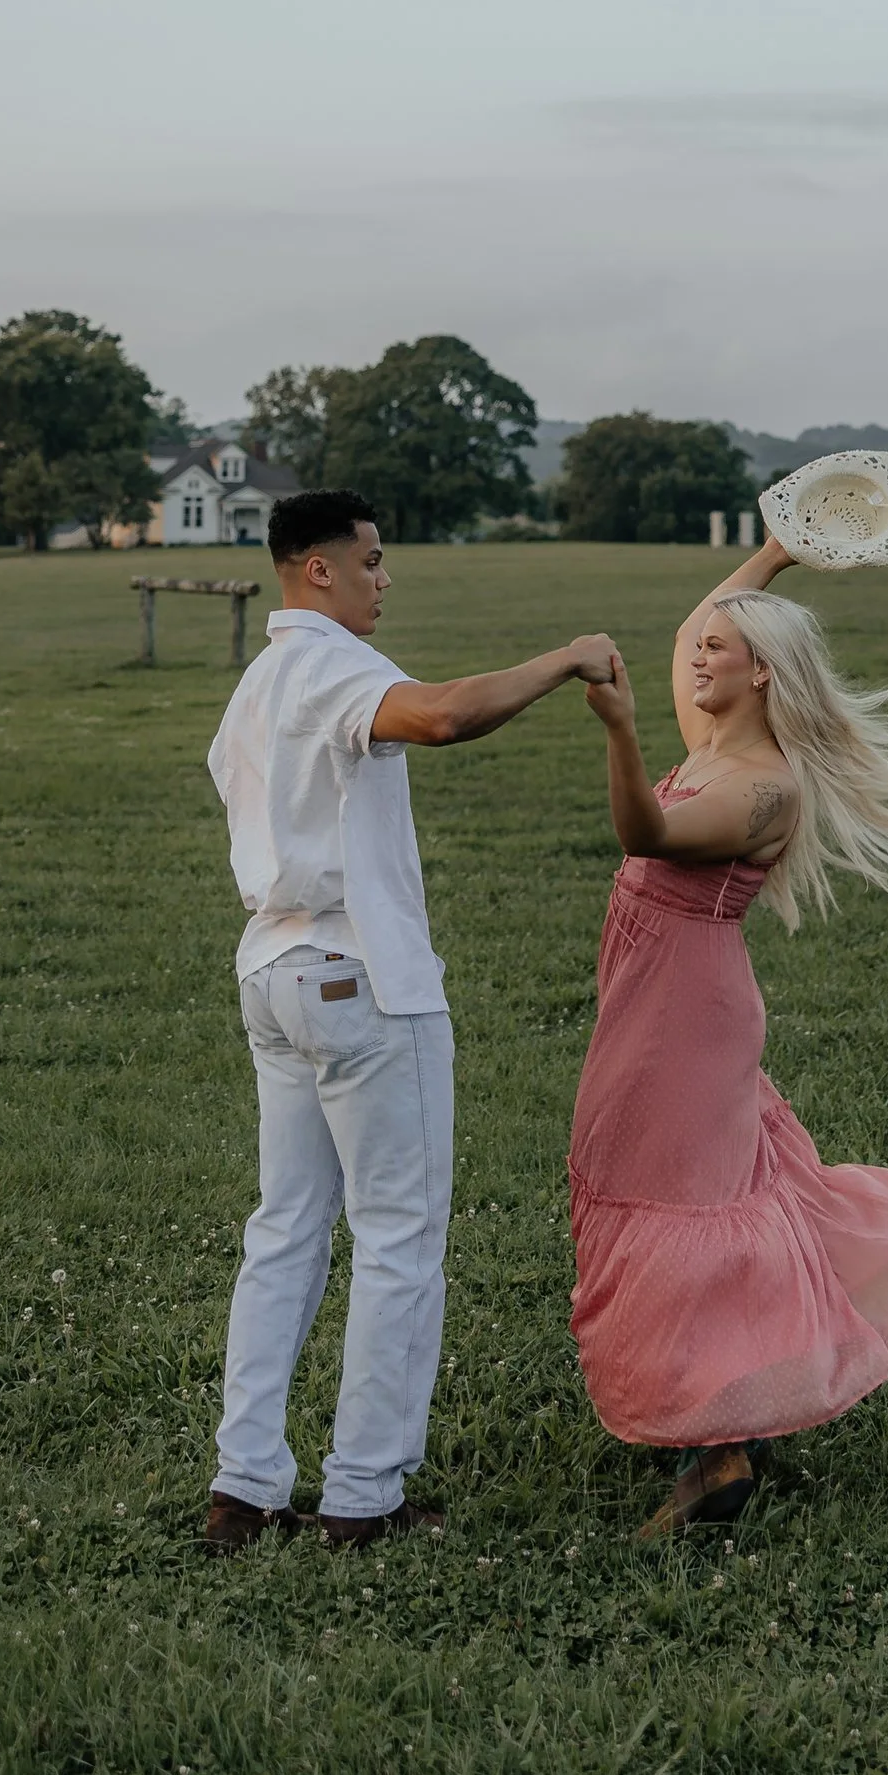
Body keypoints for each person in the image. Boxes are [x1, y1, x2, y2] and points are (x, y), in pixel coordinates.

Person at [201, 485, 615, 1553]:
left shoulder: (254, 681)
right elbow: (437, 717)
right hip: (360, 977)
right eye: (374, 561)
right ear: (319, 570)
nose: (387, 581)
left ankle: (243, 1488)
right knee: (396, 1240)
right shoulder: (334, 663)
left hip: (272, 970)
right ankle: (362, 1499)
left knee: (285, 1231)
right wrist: (563, 659)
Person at [571, 532, 888, 1536]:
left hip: (684, 1019)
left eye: (717, 650)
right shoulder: (712, 747)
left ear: (762, 674)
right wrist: (772, 556)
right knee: (683, 1189)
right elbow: (703, 623)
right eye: (698, 649)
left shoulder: (760, 786)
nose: (697, 654)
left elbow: (643, 836)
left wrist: (616, 727)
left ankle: (721, 1445)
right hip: (658, 1005)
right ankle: (732, 1416)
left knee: (681, 1204)